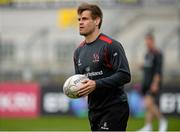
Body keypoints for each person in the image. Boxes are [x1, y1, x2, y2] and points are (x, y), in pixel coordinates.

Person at [73, 3, 131, 131]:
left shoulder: (110, 45)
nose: (80, 22)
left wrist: (96, 84)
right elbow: (80, 80)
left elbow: (125, 75)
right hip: (93, 110)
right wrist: (76, 90)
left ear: (97, 20)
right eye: (79, 19)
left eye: (85, 19)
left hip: (114, 108)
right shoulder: (78, 52)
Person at [138, 33, 168, 131]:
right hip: (146, 83)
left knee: (148, 103)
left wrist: (155, 83)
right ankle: (148, 126)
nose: (147, 43)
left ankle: (162, 120)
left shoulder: (158, 54)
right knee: (149, 106)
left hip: (153, 83)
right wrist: (143, 66)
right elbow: (148, 67)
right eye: (146, 41)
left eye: (148, 41)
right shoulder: (147, 54)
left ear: (153, 41)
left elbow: (158, 71)